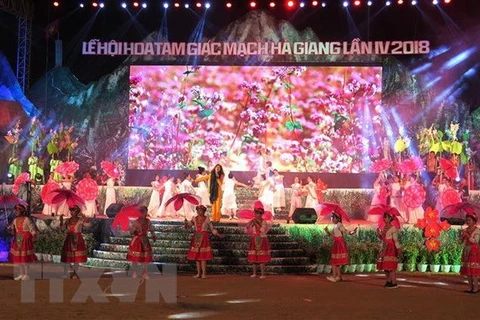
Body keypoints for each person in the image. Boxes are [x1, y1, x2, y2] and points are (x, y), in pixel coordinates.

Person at [185, 205, 222, 279]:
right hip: (197, 237)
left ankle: (204, 273)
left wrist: (217, 234)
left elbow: (212, 228)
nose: (199, 212)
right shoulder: (194, 219)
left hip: (204, 238)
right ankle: (198, 273)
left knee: (203, 257)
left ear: (204, 211)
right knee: (197, 257)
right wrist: (186, 223)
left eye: (201, 210)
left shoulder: (207, 219)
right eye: (198, 210)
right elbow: (189, 226)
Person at [324, 212, 357, 282]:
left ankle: (334, 276)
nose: (332, 219)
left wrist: (351, 232)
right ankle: (338, 277)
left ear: (338, 218)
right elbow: (333, 236)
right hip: (336, 243)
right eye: (331, 217)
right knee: (336, 262)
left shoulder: (339, 224)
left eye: (333, 217)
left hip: (339, 244)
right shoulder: (335, 226)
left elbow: (345, 231)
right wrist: (327, 232)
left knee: (334, 261)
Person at [60, 206, 90, 279]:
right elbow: (62, 229)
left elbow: (88, 225)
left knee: (76, 259)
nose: (72, 213)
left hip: (77, 239)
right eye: (71, 211)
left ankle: (74, 273)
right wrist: (61, 221)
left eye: (73, 211)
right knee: (67, 258)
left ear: (77, 212)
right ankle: (65, 273)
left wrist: (86, 219)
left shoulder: (80, 220)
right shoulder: (68, 221)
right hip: (69, 238)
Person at [126, 206, 157, 279]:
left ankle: (145, 273)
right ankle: (134, 272)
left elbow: (152, 229)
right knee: (135, 258)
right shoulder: (135, 222)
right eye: (143, 212)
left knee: (146, 258)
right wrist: (134, 230)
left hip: (145, 240)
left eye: (146, 212)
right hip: (137, 241)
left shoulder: (148, 221)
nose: (145, 214)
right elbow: (131, 232)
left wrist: (153, 235)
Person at [9, 204, 37, 281]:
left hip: (25, 240)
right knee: (19, 258)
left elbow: (32, 229)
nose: (16, 212)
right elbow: (13, 232)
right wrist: (10, 229)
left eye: (17, 210)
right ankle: (21, 274)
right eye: (15, 210)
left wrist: (34, 235)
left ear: (22, 211)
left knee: (25, 258)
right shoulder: (15, 220)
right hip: (18, 239)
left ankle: (26, 274)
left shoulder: (27, 219)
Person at [245, 202, 272, 279]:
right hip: (254, 239)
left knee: (261, 258)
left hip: (262, 239)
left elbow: (263, 230)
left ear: (261, 214)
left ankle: (262, 274)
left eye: (259, 214)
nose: (258, 215)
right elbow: (247, 228)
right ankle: (254, 273)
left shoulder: (264, 222)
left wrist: (256, 223)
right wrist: (250, 223)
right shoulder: (253, 221)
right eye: (256, 213)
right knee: (253, 257)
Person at [377, 211, 402, 289]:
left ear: (390, 218)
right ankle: (388, 281)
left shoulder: (393, 228)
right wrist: (379, 234)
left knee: (391, 266)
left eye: (386, 217)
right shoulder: (384, 227)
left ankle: (393, 282)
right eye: (384, 217)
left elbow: (395, 240)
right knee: (385, 266)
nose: (384, 219)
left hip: (390, 248)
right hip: (384, 246)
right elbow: (382, 238)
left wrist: (399, 249)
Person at [459, 211, 480, 293]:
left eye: (469, 220)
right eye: (467, 220)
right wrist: (461, 236)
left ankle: (476, 288)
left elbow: (475, 241)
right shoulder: (465, 230)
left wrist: (467, 235)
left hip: (474, 251)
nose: (467, 221)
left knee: (474, 271)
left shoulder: (477, 230)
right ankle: (470, 287)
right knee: (468, 271)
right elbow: (460, 242)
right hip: (467, 251)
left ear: (474, 221)